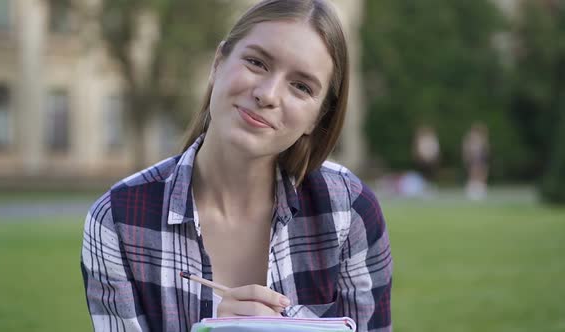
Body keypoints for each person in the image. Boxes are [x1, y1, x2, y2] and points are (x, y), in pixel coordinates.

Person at [81, 1, 392, 331]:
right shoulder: (117, 221)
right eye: (257, 63)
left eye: (301, 86)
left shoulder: (349, 210)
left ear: (316, 119)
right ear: (218, 63)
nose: (268, 94)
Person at [462, 122, 490, 200]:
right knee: (473, 173)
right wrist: (468, 157)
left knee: (482, 172)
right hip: (473, 158)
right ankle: (472, 189)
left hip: (481, 158)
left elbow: (486, 149)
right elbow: (466, 149)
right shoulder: (470, 138)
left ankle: (481, 188)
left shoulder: (482, 138)